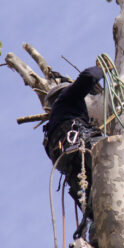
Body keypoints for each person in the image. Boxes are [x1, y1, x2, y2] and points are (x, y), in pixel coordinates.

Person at [43, 58, 113, 215]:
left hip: (71, 167)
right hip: (82, 144)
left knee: (95, 204)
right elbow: (88, 77)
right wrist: (101, 69)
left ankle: (96, 233)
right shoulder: (66, 98)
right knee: (116, 153)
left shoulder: (50, 131)